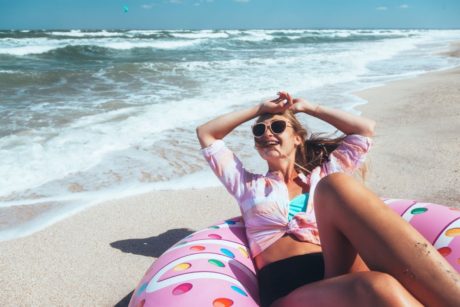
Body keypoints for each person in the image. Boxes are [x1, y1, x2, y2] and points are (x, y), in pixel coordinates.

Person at [196, 91, 459, 307]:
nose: (267, 133)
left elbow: (364, 130)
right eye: (259, 130)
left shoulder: (324, 175)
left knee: (335, 185)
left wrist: (309, 107)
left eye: (277, 126)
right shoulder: (247, 185)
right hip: (290, 290)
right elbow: (207, 133)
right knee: (378, 285)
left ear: (298, 138)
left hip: (335, 270)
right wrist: (259, 108)